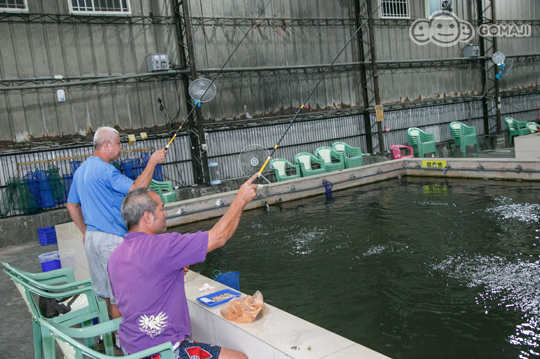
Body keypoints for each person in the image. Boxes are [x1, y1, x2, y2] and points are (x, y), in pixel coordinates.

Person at [107, 173, 259, 359]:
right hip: (161, 352)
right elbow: (219, 236)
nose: (165, 214)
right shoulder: (163, 246)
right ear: (147, 217)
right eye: (162, 209)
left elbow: (128, 296)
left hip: (131, 348)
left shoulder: (115, 255)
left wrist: (172, 270)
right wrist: (240, 199)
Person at [66, 126, 167, 321]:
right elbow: (136, 190)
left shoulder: (81, 170)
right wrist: (153, 162)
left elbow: (72, 206)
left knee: (102, 291)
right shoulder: (105, 170)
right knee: (118, 295)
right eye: (119, 143)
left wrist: (85, 232)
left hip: (92, 239)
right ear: (106, 145)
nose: (121, 148)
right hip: (111, 240)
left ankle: (106, 338)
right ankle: (123, 341)